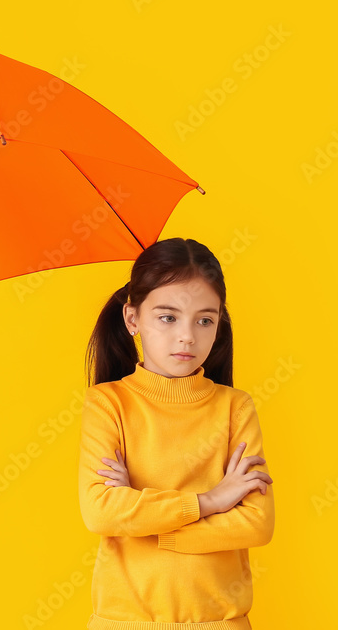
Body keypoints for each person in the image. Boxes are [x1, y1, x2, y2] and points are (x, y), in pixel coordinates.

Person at [78, 237, 275, 629]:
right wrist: (212, 500)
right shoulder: (107, 403)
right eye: (168, 317)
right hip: (123, 622)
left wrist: (145, 521)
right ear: (132, 319)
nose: (188, 335)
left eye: (205, 320)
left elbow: (256, 523)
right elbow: (100, 512)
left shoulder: (235, 407)